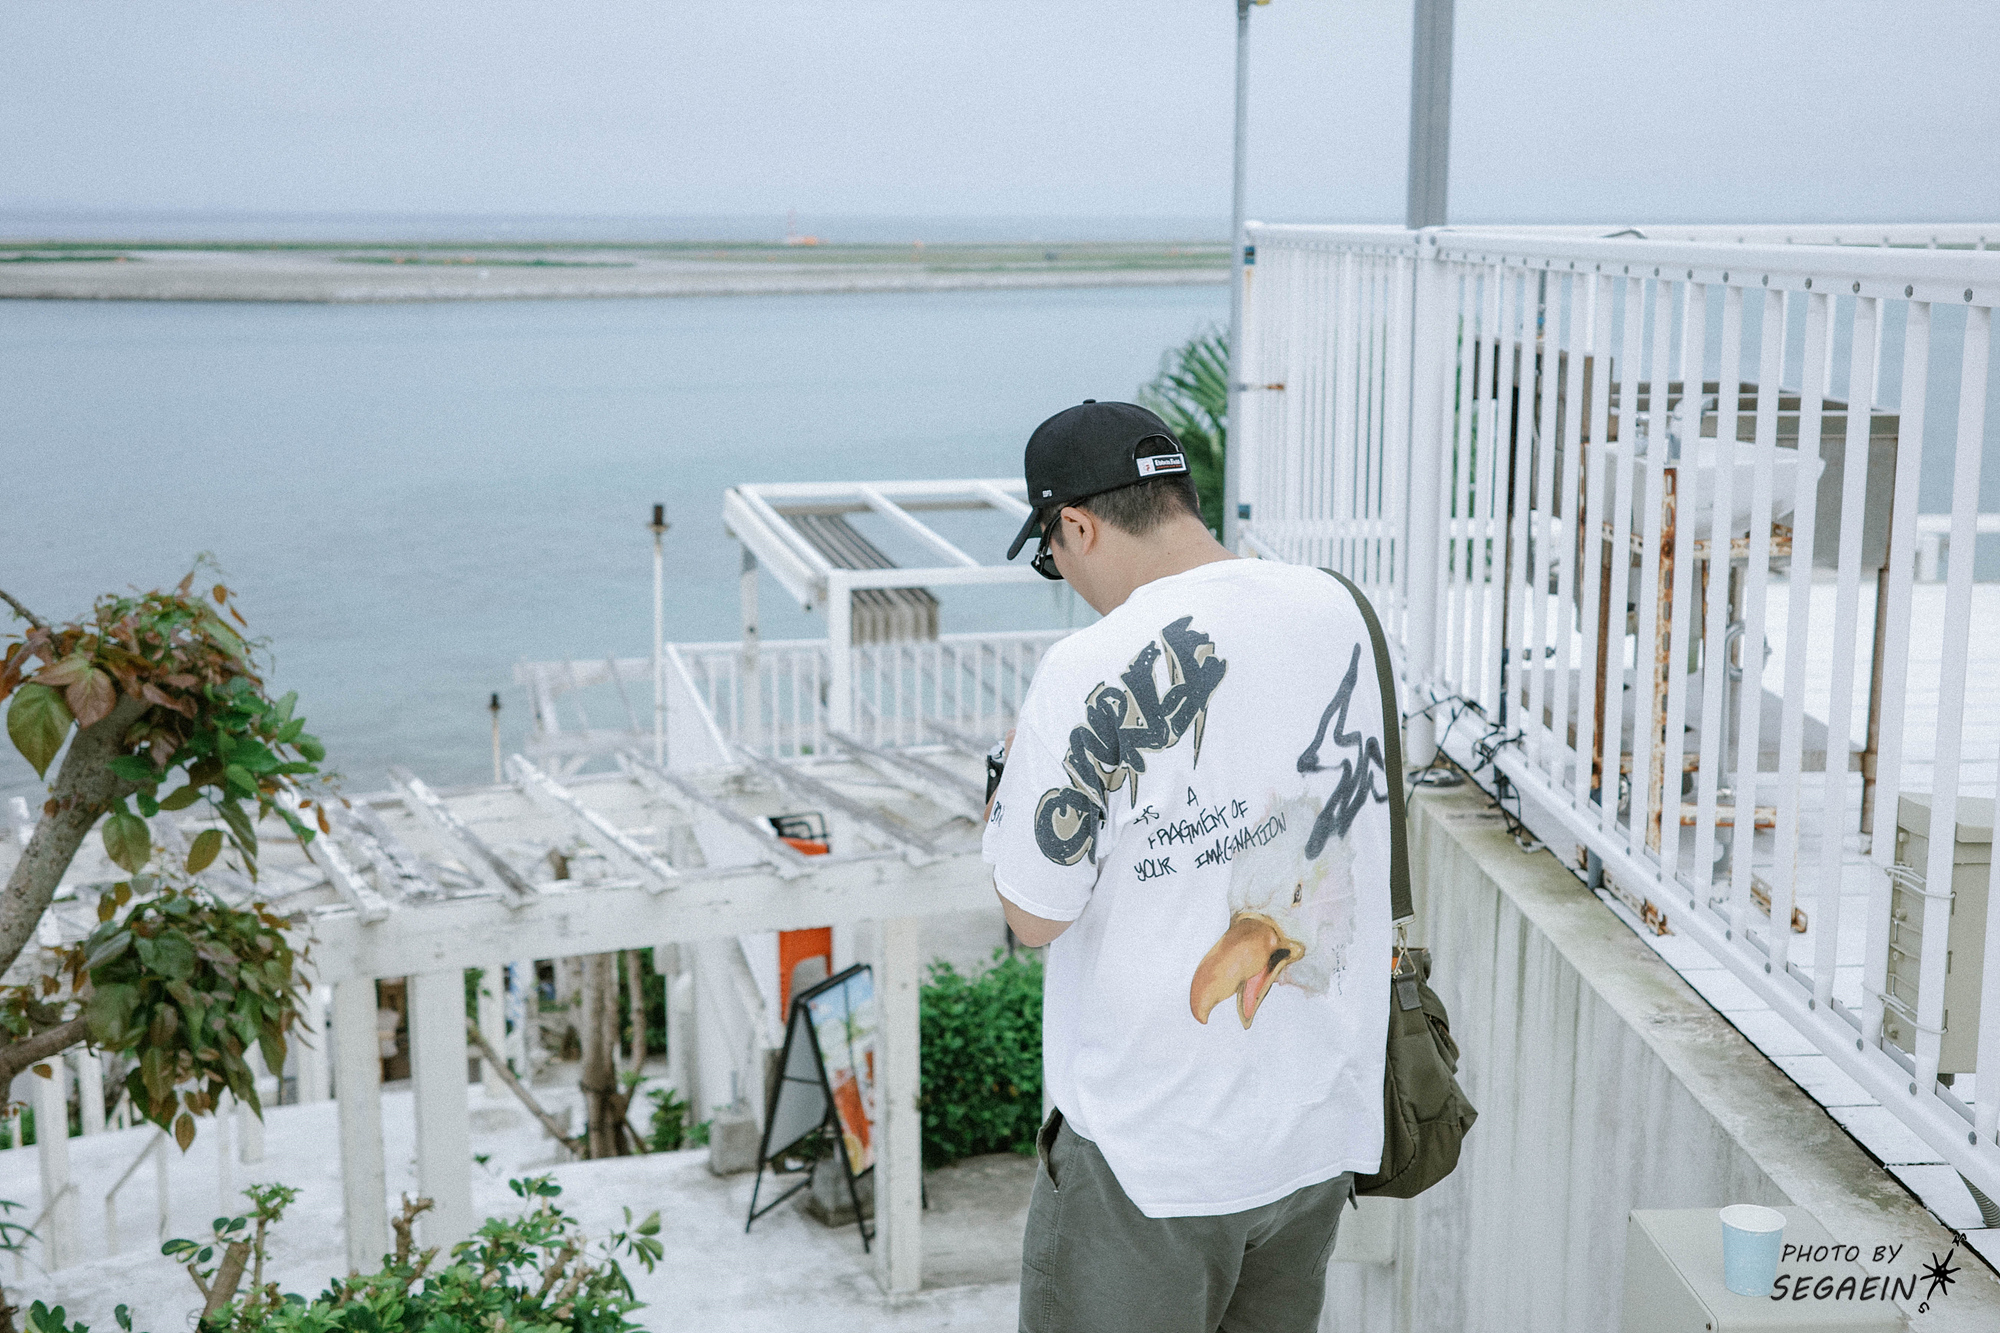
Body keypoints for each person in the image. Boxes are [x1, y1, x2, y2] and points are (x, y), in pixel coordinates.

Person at [982, 400, 1394, 1333]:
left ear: (1077, 525)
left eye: (1050, 554)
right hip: (1313, 1135)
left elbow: (1034, 914)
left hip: (1150, 1160)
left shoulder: (1087, 667)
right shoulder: (1340, 609)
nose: (1062, 573)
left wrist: (1008, 782)